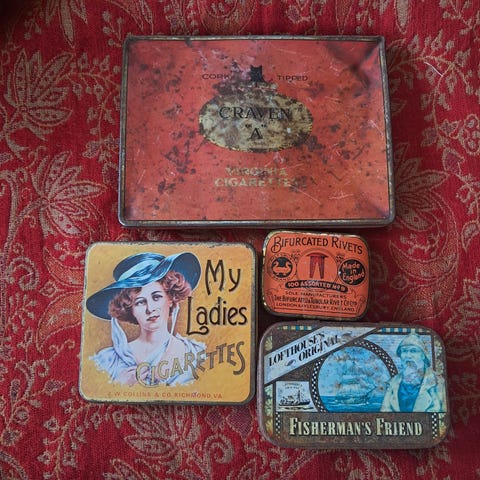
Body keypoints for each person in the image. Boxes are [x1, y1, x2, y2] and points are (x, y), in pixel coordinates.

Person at [86, 251, 205, 386]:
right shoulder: (108, 360)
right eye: (140, 302)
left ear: (170, 299)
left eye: (156, 297)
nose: (150, 308)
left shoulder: (195, 354)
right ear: (130, 309)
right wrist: (120, 385)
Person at [381, 333, 446, 412]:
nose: (408, 355)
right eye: (404, 351)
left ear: (423, 355)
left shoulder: (438, 382)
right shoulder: (393, 383)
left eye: (413, 351)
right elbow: (384, 412)